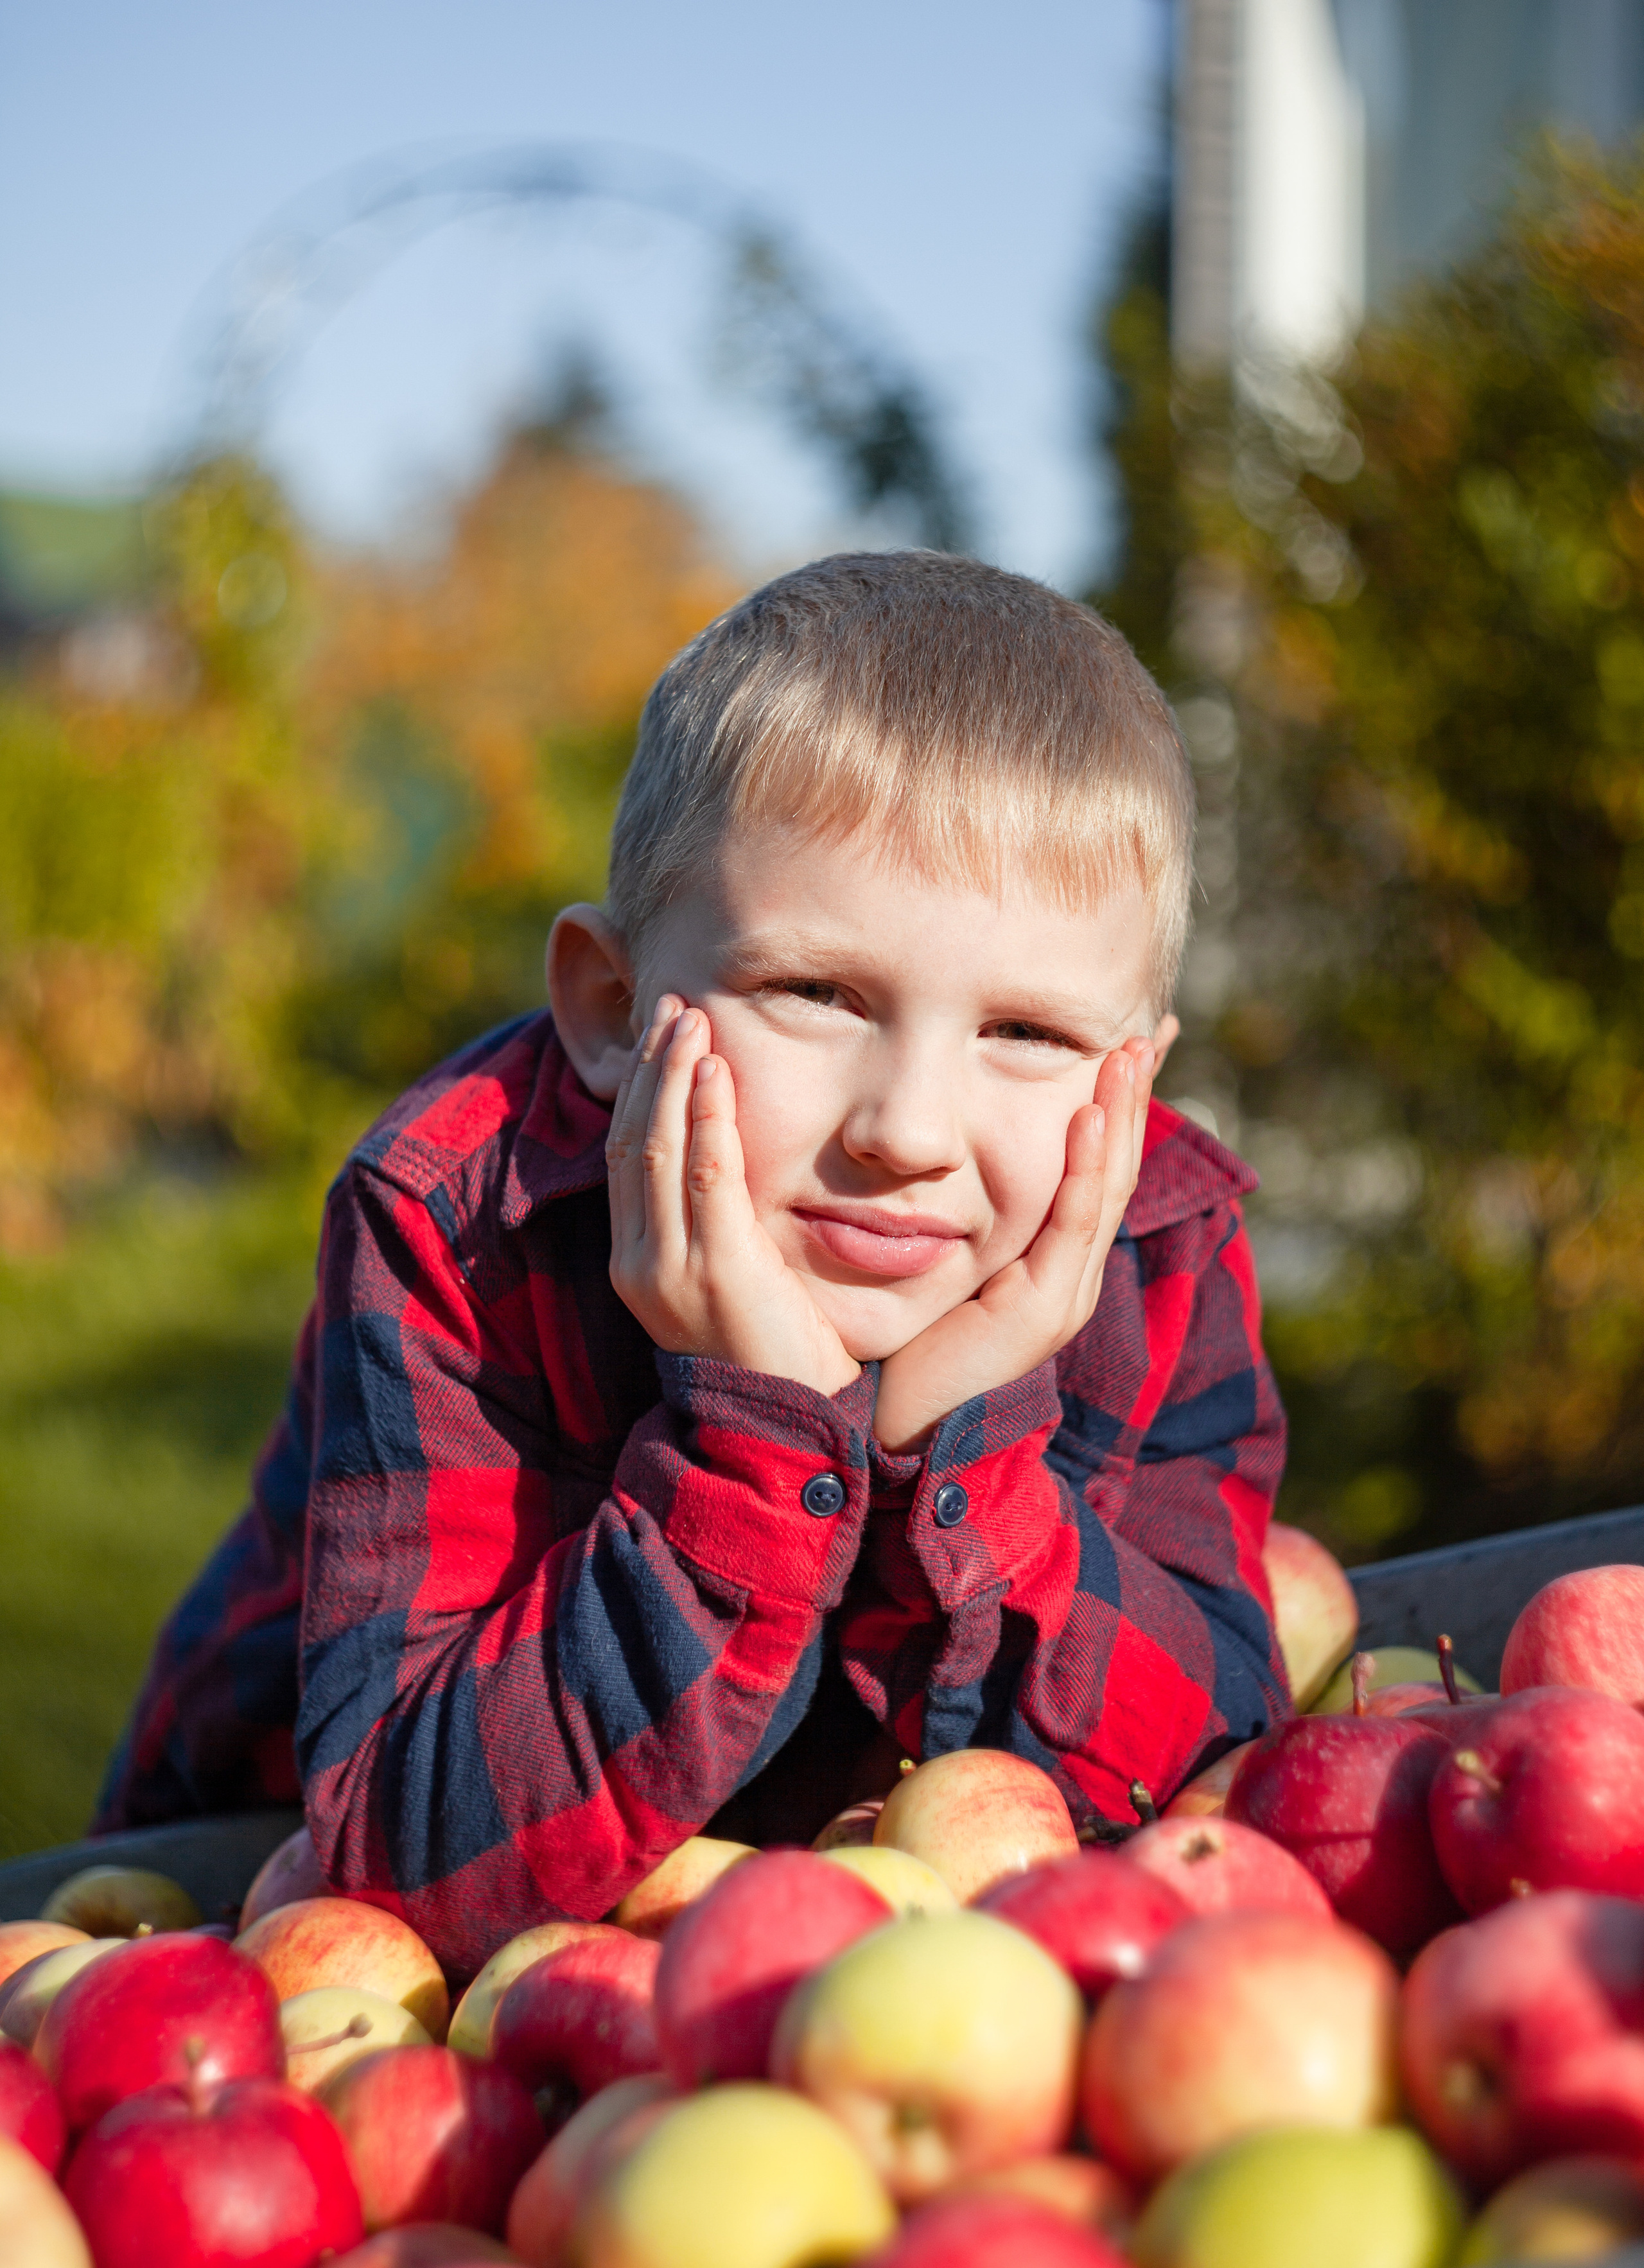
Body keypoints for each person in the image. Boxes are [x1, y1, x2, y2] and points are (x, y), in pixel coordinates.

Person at [97, 552, 1288, 1978]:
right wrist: (747, 1454)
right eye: (814, 994)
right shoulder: (460, 1227)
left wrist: (967, 1451)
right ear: (611, 1005)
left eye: (1024, 1033)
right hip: (247, 1923)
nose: (908, 1130)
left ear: (1132, 1076)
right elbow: (407, 1865)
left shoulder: (1151, 1241)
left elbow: (1221, 1783)